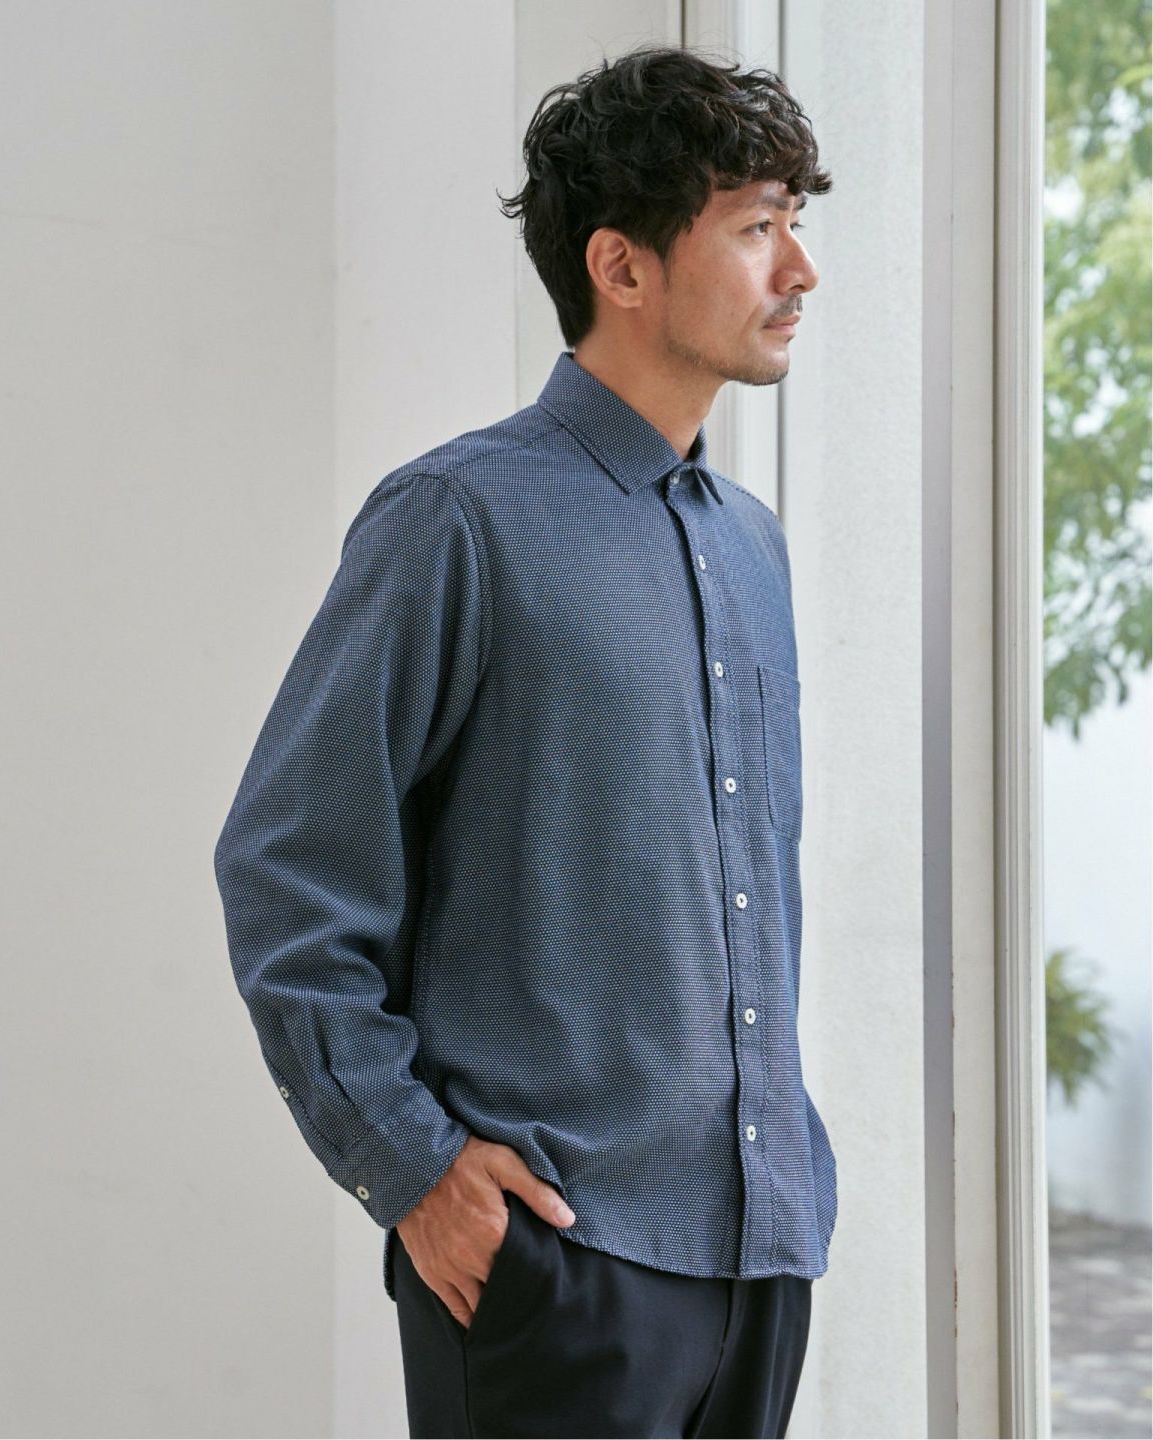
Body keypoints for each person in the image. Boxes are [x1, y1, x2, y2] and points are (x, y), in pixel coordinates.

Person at [213, 41, 837, 1440]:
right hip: (555, 1261)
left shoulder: (754, 549)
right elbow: (286, 868)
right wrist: (411, 1166)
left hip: (760, 1254)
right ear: (622, 267)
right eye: (757, 228)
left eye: (797, 224)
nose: (800, 270)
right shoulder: (459, 518)